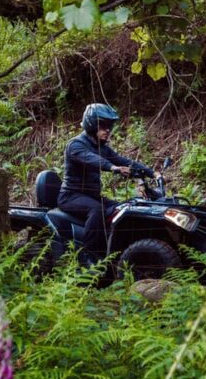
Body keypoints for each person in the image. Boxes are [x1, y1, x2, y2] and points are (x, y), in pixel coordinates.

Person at [58, 103, 159, 264]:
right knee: (97, 210)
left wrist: (152, 173)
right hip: (71, 196)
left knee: (123, 208)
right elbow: (92, 159)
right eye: (103, 126)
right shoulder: (76, 145)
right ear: (92, 124)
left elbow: (123, 160)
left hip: (92, 196)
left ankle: (113, 250)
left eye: (109, 126)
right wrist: (113, 168)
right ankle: (87, 256)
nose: (108, 130)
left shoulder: (102, 147)